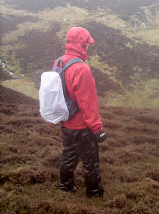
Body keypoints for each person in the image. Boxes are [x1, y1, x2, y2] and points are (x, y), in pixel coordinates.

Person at [57, 27, 106, 198]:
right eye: (87, 43)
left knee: (68, 155)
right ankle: (94, 193)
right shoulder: (81, 69)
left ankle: (65, 186)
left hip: (66, 122)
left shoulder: (59, 62)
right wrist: (97, 129)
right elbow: (88, 103)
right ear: (81, 43)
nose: (88, 46)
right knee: (90, 161)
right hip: (83, 126)